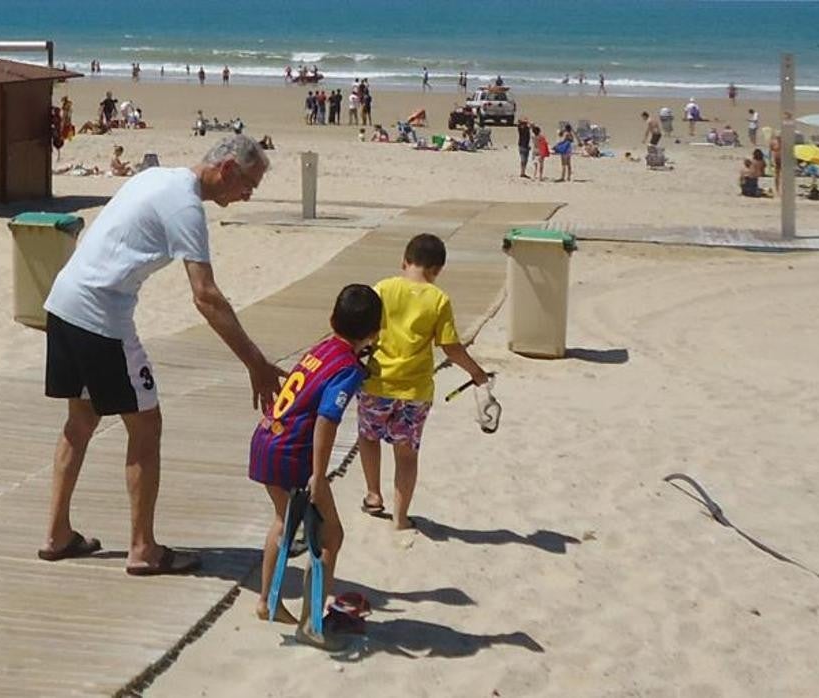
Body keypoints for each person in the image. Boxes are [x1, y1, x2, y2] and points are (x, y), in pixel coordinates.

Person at [38, 135, 283, 576]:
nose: (247, 195)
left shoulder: (156, 176)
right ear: (226, 168)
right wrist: (257, 364)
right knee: (146, 425)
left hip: (63, 301)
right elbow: (205, 297)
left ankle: (57, 533)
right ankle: (143, 548)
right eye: (248, 184)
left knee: (81, 419)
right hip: (100, 316)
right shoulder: (186, 206)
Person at [251, 284, 382, 640]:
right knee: (329, 536)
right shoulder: (348, 368)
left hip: (267, 438)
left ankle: (268, 601)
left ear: (332, 319)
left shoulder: (324, 347)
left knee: (283, 520)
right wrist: (319, 476)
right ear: (373, 333)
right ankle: (311, 625)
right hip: (293, 453)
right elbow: (327, 419)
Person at [357, 234, 490, 530]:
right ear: (437, 270)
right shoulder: (439, 299)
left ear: (404, 261)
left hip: (377, 384)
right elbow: (451, 348)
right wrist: (477, 373)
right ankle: (401, 518)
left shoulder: (383, 289)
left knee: (368, 437)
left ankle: (373, 494)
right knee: (406, 455)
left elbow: (365, 331)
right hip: (415, 391)